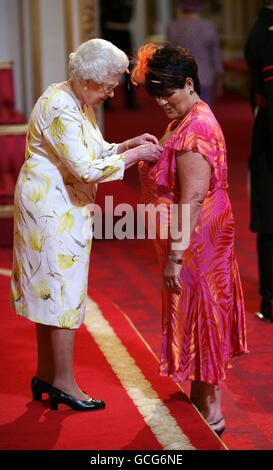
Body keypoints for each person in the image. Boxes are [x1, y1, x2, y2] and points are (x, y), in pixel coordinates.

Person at [10, 38, 162, 412]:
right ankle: (63, 382)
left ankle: (46, 374)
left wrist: (126, 145)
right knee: (61, 292)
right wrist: (137, 155)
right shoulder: (63, 106)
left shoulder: (74, 98)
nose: (111, 94)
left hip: (56, 205)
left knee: (49, 290)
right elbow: (85, 168)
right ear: (89, 79)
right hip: (51, 210)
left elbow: (92, 149)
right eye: (109, 86)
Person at [131, 43, 248, 437]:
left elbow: (193, 198)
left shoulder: (195, 127)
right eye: (156, 95)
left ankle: (210, 411)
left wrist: (175, 258)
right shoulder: (186, 116)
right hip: (196, 237)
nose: (162, 102)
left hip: (197, 242)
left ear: (188, 82)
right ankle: (202, 401)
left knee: (203, 319)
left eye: (168, 93)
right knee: (199, 316)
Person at [244, 0, 273, 323]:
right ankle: (269, 301)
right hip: (269, 137)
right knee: (269, 226)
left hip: (265, 134)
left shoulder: (261, 27)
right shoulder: (267, 32)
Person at [167, 0, 223, 109]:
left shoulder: (173, 27)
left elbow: (170, 56)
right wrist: (219, 81)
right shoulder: (209, 26)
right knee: (204, 113)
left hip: (181, 78)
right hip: (205, 76)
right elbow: (215, 56)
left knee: (185, 114)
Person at [100, 0, 136, 109]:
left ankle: (130, 100)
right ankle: (106, 101)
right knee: (108, 69)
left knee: (129, 67)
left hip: (124, 31)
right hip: (110, 32)